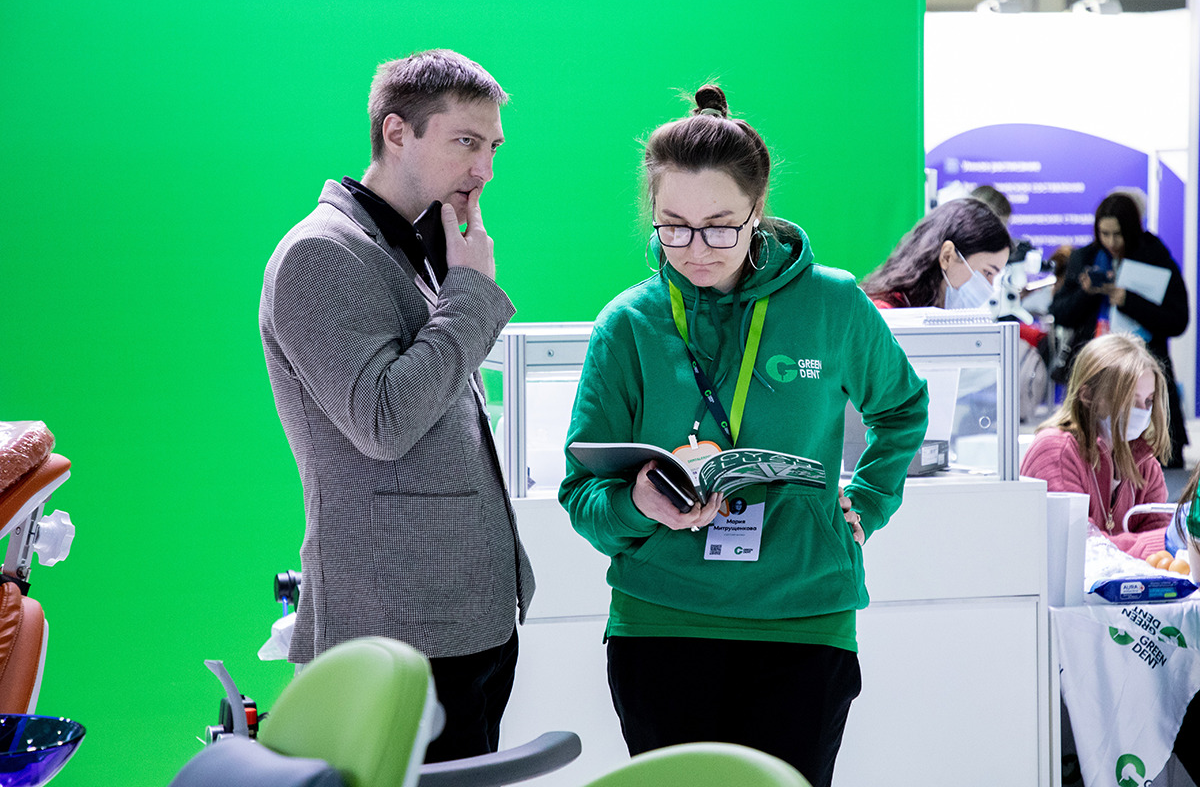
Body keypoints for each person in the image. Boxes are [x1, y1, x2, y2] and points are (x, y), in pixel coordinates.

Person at [558, 85, 929, 787]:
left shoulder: (832, 303)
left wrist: (869, 502)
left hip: (804, 617)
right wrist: (638, 503)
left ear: (757, 210)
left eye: (720, 227)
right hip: (662, 622)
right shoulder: (628, 326)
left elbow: (903, 408)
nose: (696, 249)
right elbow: (583, 498)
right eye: (674, 227)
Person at [259, 50, 534, 763]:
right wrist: (471, 294)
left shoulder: (418, 245)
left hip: (462, 622)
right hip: (394, 625)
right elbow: (384, 422)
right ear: (396, 132)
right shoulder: (320, 253)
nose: (485, 169)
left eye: (493, 146)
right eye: (466, 142)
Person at [1049, 192, 1189, 467]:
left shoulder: (1155, 256)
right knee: (1091, 458)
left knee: (1153, 461)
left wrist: (1129, 301)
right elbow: (1061, 314)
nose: (1112, 242)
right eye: (1105, 234)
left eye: (1118, 234)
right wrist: (1087, 293)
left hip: (1144, 367)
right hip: (1095, 371)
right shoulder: (1085, 258)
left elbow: (1178, 320)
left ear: (1132, 230)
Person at [1020, 334, 1172, 558]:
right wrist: (1162, 541)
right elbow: (1079, 548)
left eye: (1149, 401)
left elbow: (1163, 552)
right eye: (1130, 400)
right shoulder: (1056, 451)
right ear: (1088, 396)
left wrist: (1172, 540)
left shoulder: (1144, 463)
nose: (1143, 411)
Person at [860, 197, 1011, 310]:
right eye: (988, 272)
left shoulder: (943, 314)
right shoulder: (887, 314)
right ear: (947, 256)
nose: (989, 287)